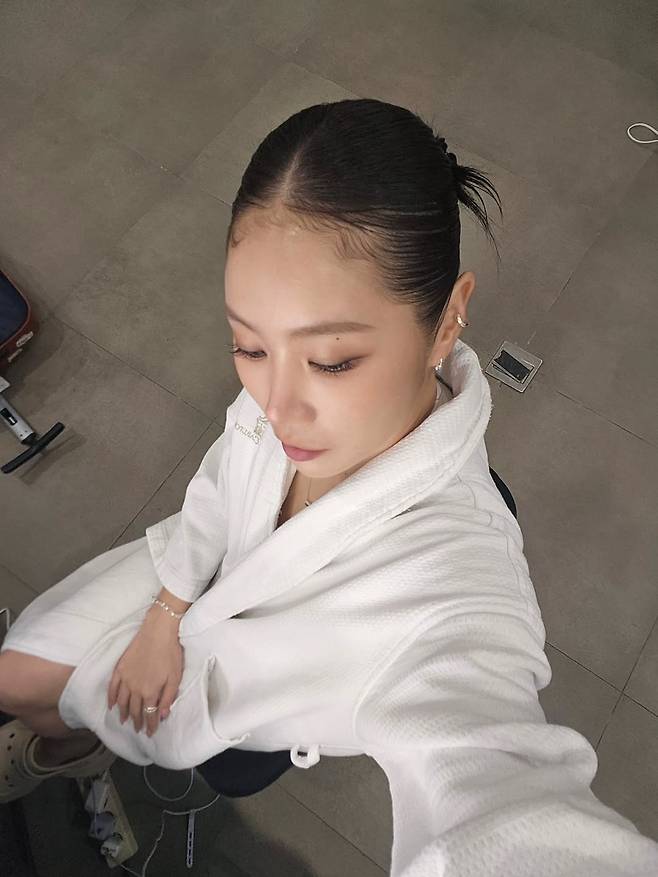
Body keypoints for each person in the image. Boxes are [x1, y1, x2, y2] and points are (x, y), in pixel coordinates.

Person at [1, 98, 658, 876]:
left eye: (332, 361)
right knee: (16, 676)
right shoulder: (281, 396)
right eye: (248, 346)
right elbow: (224, 472)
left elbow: (498, 798)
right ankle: (72, 753)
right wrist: (166, 610)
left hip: (242, 685)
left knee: (47, 692)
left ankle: (71, 753)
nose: (276, 405)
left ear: (449, 320)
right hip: (200, 566)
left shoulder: (460, 588)